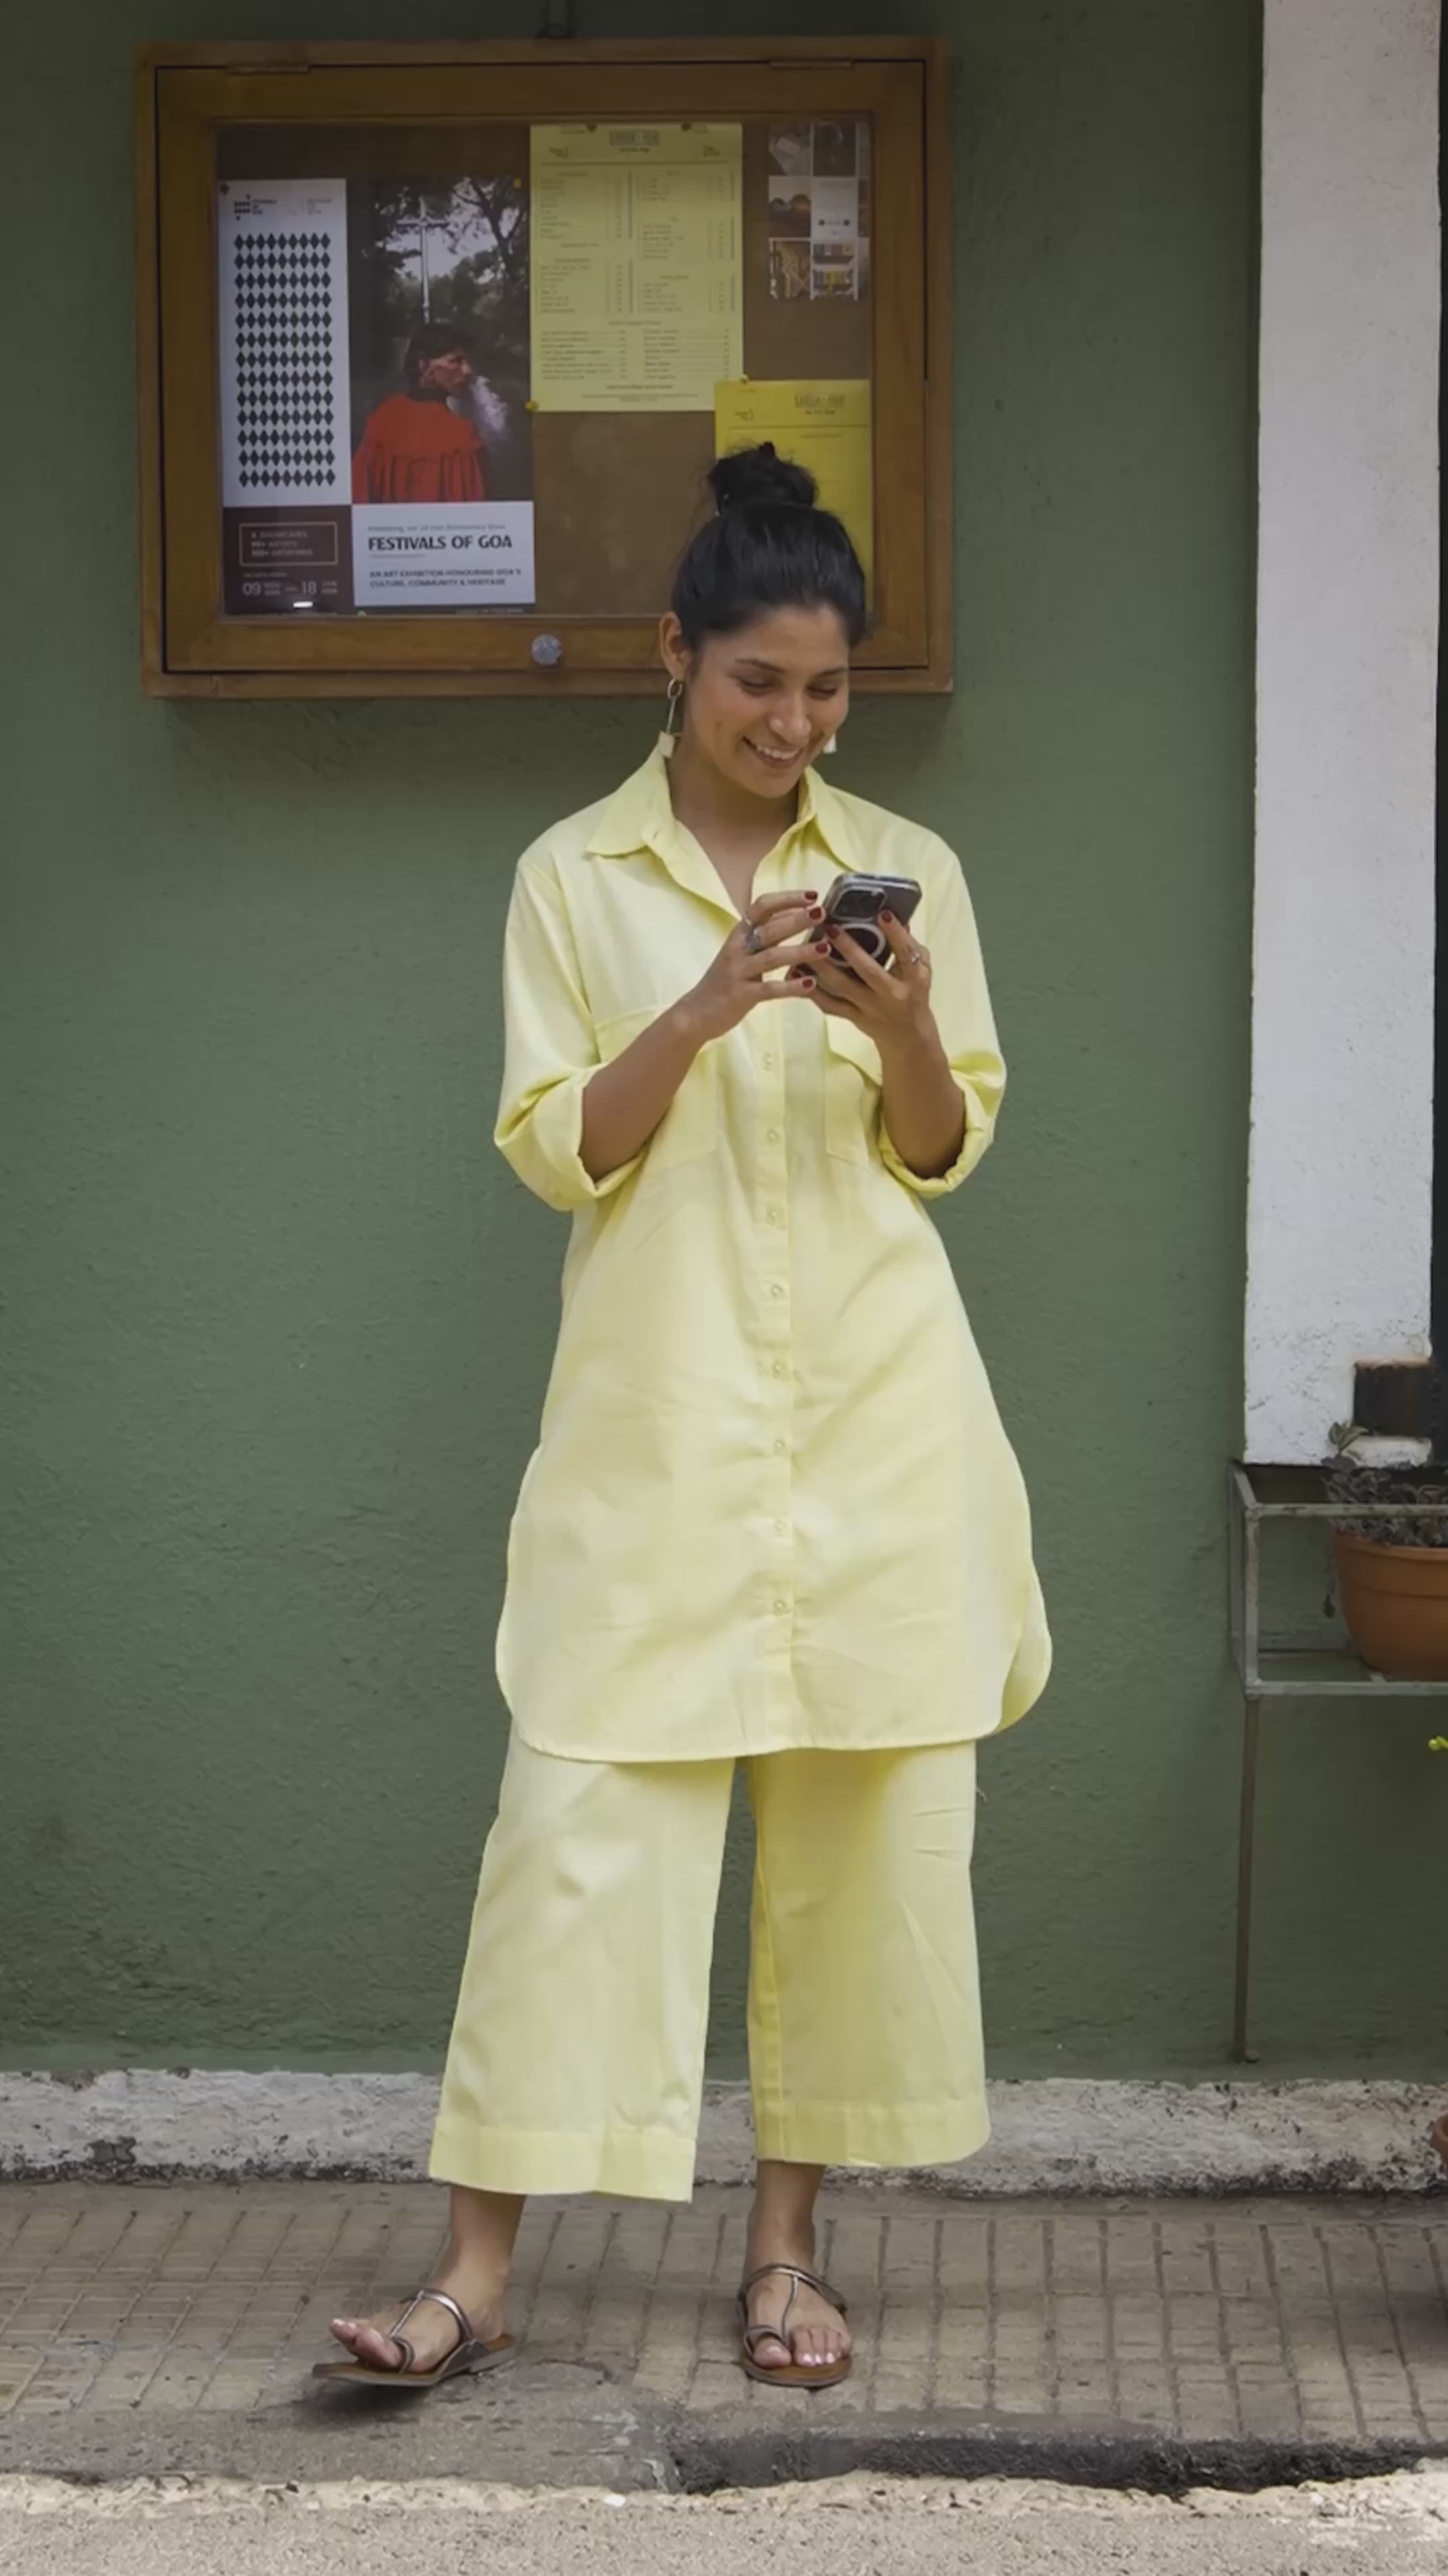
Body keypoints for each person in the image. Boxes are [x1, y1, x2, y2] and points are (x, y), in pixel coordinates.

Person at [317, 442, 1051, 2398]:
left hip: (877, 1425)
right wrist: (705, 1006)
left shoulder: (917, 865)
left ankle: (788, 2258)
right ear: (674, 657)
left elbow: (938, 1142)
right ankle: (475, 2272)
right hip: (650, 1433)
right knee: (570, 1841)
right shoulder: (572, 874)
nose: (791, 724)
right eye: (756, 686)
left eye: (825, 691)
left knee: (845, 1853)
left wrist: (886, 1016)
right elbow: (558, 1152)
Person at [351, 322, 487, 505]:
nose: (467, 370)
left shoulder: (384, 417)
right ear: (423, 365)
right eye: (456, 361)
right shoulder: (461, 436)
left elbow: (359, 493)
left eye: (467, 361)